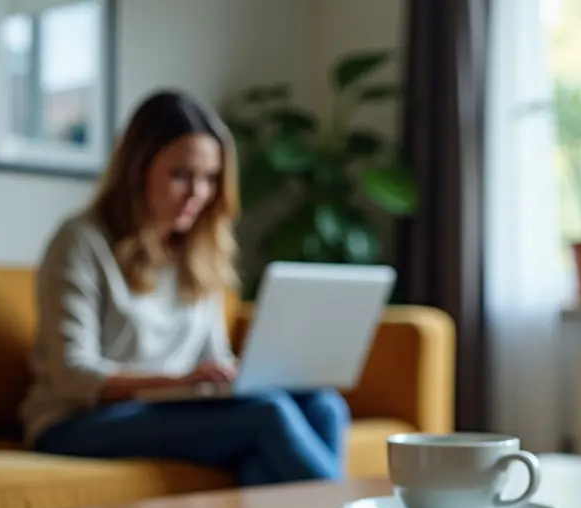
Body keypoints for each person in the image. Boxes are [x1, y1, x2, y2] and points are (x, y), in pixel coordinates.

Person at [20, 89, 349, 486]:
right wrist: (180, 382)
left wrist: (231, 376)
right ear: (138, 169)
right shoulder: (80, 241)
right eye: (181, 176)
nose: (199, 193)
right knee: (268, 414)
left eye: (210, 178)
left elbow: (213, 355)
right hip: (77, 423)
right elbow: (73, 376)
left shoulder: (198, 251)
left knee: (324, 406)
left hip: (175, 408)